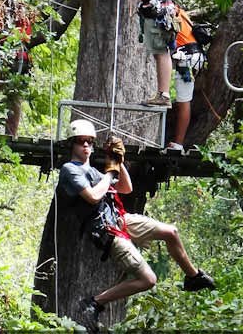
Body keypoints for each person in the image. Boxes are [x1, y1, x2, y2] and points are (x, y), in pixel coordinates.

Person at [57, 119, 216, 332]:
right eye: (80, 142)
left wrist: (118, 161)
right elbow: (94, 197)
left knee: (171, 231)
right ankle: (95, 302)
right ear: (71, 145)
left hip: (120, 219)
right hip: (107, 231)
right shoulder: (70, 170)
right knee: (149, 279)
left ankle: (193, 277)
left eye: (89, 142)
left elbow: (126, 188)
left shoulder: (95, 172)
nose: (85, 146)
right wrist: (111, 172)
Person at [127, 0, 178, 109]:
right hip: (155, 7)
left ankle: (164, 94)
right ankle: (162, 93)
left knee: (161, 51)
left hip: (158, 7)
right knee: (159, 51)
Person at [167, 7, 206, 152]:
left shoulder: (170, 12)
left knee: (184, 100)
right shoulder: (179, 12)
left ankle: (178, 143)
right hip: (189, 56)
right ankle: (178, 142)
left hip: (187, 58)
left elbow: (170, 37)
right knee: (184, 99)